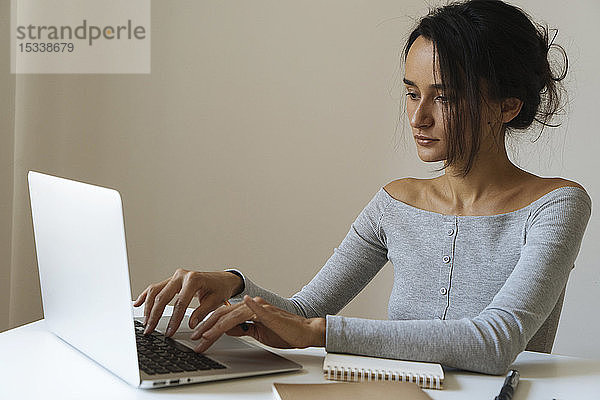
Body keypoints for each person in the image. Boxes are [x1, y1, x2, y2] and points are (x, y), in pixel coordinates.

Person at [134, 0, 592, 375]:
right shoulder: (394, 203)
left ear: (507, 107)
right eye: (413, 92)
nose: (418, 117)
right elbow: (303, 309)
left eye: (445, 96)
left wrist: (320, 333)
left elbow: (496, 342)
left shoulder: (555, 205)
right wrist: (234, 286)